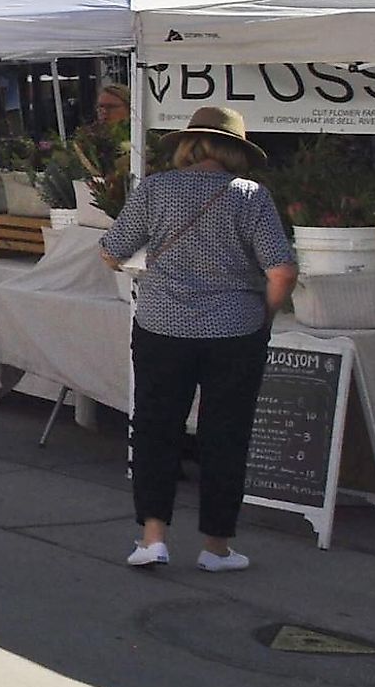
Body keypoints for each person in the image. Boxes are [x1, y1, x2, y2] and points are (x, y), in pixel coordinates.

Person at [99, 105, 296, 572]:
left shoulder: (157, 188)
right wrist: (262, 313)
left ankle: (153, 539)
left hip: (162, 326)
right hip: (235, 331)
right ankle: (216, 547)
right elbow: (282, 270)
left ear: (189, 144)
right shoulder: (250, 196)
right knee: (225, 436)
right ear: (235, 150)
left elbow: (110, 252)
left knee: (155, 429)